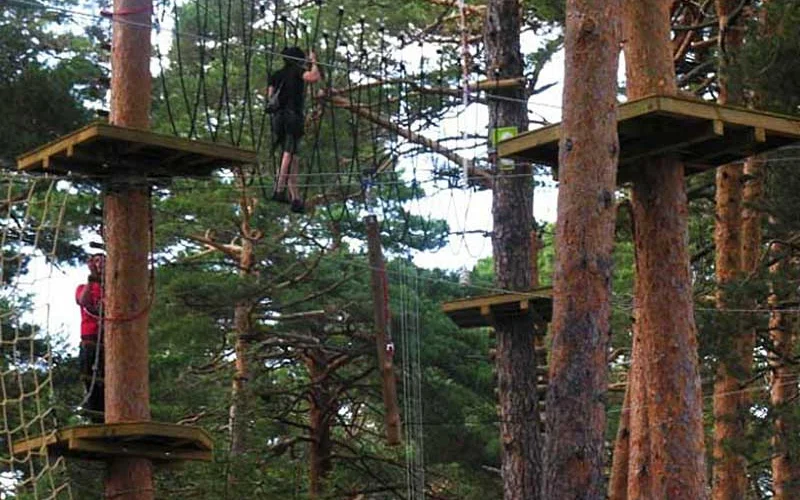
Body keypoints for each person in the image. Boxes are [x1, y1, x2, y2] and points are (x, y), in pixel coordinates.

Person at [267, 46, 321, 213]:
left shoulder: (276, 75)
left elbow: (269, 96)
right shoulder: (297, 72)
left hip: (278, 118)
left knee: (292, 157)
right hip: (293, 116)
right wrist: (314, 61)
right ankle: (279, 189)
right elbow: (314, 77)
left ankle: (295, 198)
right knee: (289, 153)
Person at [75, 254, 104, 423]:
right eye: (97, 261)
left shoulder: (113, 289)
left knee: (107, 383)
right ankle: (95, 416)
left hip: (108, 342)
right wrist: (93, 279)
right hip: (90, 340)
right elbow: (83, 301)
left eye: (103, 261)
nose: (100, 265)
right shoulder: (84, 287)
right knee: (91, 379)